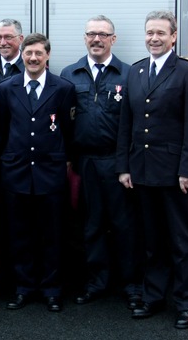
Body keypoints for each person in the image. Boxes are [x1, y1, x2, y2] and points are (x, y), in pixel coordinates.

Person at [116, 10, 188, 330]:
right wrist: (124, 167)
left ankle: (187, 303)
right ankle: (153, 297)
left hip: (174, 175)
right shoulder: (137, 71)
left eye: (160, 33)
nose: (153, 38)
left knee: (182, 241)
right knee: (151, 241)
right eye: (149, 32)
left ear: (173, 37)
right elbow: (126, 123)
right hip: (142, 172)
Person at [60, 15, 143, 309]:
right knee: (90, 225)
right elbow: (62, 122)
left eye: (103, 34)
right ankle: (96, 282)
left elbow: (135, 123)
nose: (97, 39)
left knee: (124, 226)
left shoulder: (129, 74)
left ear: (113, 39)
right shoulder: (70, 74)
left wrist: (128, 164)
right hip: (84, 163)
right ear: (84, 38)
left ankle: (131, 285)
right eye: (91, 34)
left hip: (117, 163)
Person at [0, 33, 76, 313]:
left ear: (47, 56)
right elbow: (3, 128)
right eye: (28, 53)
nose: (32, 58)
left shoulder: (64, 88)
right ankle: (23, 288)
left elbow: (67, 128)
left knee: (52, 236)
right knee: (20, 235)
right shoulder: (7, 87)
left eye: (38, 53)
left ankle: (52, 290)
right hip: (16, 173)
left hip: (50, 173)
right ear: (23, 54)